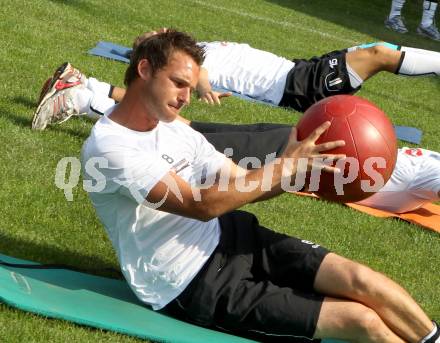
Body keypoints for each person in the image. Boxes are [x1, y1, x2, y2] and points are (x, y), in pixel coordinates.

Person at [80, 29, 438, 342]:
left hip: (232, 237)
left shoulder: (171, 127)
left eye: (190, 86)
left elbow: (237, 179)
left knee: (362, 280)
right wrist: (284, 167)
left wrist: (297, 174)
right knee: (361, 320)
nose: (186, 97)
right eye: (178, 83)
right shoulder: (111, 148)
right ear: (144, 70)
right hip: (187, 281)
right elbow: (200, 205)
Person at [33, 64, 440, 214]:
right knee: (180, 135)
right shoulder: (433, 173)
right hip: (290, 153)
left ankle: (89, 88)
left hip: (291, 140)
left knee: (183, 129)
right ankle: (83, 96)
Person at [32, 29, 440, 130]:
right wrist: (205, 85)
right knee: (381, 54)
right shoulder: (193, 59)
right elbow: (199, 74)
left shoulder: (195, 46)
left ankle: (81, 84)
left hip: (298, 70)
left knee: (378, 50)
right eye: (150, 37)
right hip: (298, 84)